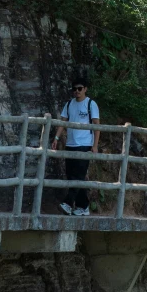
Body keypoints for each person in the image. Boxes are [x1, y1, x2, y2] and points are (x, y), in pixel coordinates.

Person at [55, 79, 99, 216]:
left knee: (78, 176)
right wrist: (56, 138)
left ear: (85, 89)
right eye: (74, 89)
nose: (77, 91)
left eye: (80, 88)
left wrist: (95, 145)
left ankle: (68, 204)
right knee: (72, 176)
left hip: (85, 144)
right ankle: (83, 206)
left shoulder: (91, 104)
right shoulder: (69, 104)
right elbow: (63, 122)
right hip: (71, 144)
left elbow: (97, 125)